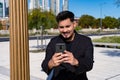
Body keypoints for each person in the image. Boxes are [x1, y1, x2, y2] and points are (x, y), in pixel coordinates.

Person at [41, 10, 94, 80]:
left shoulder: (85, 41)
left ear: (74, 24)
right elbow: (44, 64)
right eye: (61, 27)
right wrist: (51, 63)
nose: (65, 30)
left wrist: (76, 61)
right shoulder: (54, 42)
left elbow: (89, 64)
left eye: (67, 26)